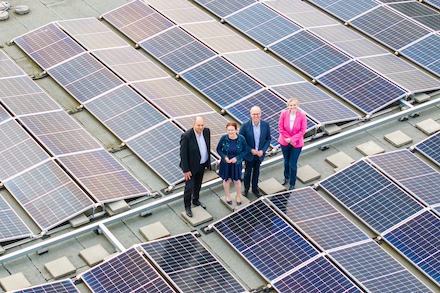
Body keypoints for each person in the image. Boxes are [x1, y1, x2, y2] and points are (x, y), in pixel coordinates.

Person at [180, 116, 210, 217]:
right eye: (198, 125)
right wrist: (186, 170)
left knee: (198, 184)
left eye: (202, 125)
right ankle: (187, 206)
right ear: (194, 125)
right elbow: (183, 154)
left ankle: (196, 200)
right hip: (191, 168)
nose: (201, 127)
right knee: (189, 187)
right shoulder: (186, 136)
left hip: (202, 165)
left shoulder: (206, 132)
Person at [239, 106, 271, 197]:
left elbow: (268, 139)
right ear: (250, 115)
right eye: (254, 114)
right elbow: (241, 141)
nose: (256, 116)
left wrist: (263, 151)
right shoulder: (245, 126)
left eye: (257, 114)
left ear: (260, 114)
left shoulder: (265, 125)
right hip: (249, 155)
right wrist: (251, 150)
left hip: (260, 154)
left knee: (256, 171)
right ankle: (246, 189)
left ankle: (255, 188)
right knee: (248, 172)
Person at [217, 122, 250, 206]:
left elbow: (246, 150)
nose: (230, 132)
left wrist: (237, 158)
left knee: (237, 181)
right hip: (226, 164)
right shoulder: (223, 138)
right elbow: (218, 149)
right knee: (226, 180)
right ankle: (228, 196)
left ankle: (238, 196)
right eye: (228, 130)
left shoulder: (241, 139)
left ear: (236, 130)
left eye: (232, 130)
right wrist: (224, 157)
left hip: (236, 164)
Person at [278, 98, 307, 190]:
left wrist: (292, 139)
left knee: (292, 163)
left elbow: (303, 130)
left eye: (294, 105)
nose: (293, 107)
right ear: (288, 106)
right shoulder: (284, 114)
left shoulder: (302, 116)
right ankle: (286, 177)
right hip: (285, 141)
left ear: (297, 105)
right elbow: (280, 127)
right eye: (291, 105)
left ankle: (292, 182)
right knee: (286, 161)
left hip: (297, 143)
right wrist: (288, 139)